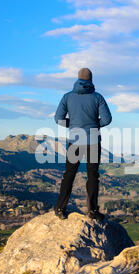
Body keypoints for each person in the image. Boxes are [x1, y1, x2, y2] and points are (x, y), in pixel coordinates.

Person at [54, 68, 112, 221]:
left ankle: (60, 208)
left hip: (74, 141)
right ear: (91, 80)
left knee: (69, 175)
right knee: (92, 176)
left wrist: (72, 125)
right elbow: (107, 119)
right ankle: (92, 211)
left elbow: (58, 119)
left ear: (78, 79)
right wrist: (94, 125)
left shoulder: (67, 97)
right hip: (93, 141)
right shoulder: (97, 97)